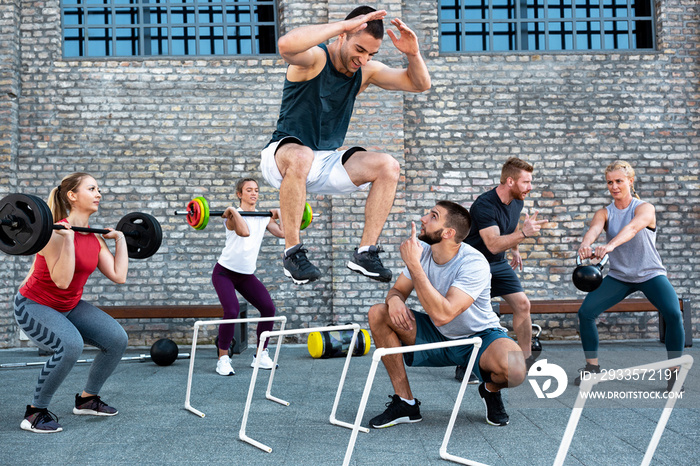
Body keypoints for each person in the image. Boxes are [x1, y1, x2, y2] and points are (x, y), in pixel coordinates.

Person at [260, 6, 431, 285]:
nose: (363, 59)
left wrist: (413, 54)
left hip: (325, 161)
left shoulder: (365, 72)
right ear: (343, 37)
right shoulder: (316, 59)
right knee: (302, 155)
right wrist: (343, 24)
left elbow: (419, 84)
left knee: (389, 165)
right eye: (359, 49)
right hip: (283, 156)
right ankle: (292, 253)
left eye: (370, 54)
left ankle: (365, 253)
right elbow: (285, 45)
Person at [367, 201, 525, 428]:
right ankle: (405, 403)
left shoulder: (473, 262)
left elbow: (445, 314)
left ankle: (490, 390)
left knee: (516, 369)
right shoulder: (423, 254)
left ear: (448, 233)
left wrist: (414, 265)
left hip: (480, 336)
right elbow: (398, 290)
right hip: (437, 334)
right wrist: (394, 300)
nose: (423, 219)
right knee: (378, 313)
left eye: (433, 216)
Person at [13, 173, 129, 433]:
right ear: (72, 196)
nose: (99, 193)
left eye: (98, 188)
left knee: (117, 339)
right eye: (92, 189)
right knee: (70, 344)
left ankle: (87, 399)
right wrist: (68, 240)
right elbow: (63, 281)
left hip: (69, 306)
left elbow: (118, 276)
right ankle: (35, 413)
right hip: (33, 305)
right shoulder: (54, 234)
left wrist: (121, 240)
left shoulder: (95, 238)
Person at [574, 160, 685, 390]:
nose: (614, 186)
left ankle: (674, 373)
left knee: (673, 313)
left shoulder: (644, 208)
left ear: (630, 181)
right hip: (620, 276)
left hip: (650, 273)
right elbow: (594, 229)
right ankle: (592, 368)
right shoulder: (605, 212)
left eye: (619, 181)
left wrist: (611, 246)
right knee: (586, 312)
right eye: (609, 182)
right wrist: (585, 244)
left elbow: (633, 228)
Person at [461, 157, 546, 371]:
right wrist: (524, 234)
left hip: (498, 263)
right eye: (526, 182)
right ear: (510, 181)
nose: (530, 187)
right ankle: (464, 365)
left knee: (523, 305)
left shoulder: (518, 200)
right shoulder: (484, 205)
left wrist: (516, 248)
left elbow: (509, 228)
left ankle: (525, 359)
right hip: (475, 264)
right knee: (473, 313)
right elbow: (492, 244)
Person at [212, 178, 285, 376]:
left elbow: (284, 232)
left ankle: (261, 355)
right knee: (232, 310)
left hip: (246, 276)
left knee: (268, 308)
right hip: (224, 273)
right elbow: (244, 232)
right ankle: (223, 359)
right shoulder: (231, 218)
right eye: (249, 190)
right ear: (239, 194)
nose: (254, 193)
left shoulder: (263, 217)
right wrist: (232, 210)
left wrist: (284, 214)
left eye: (256, 190)